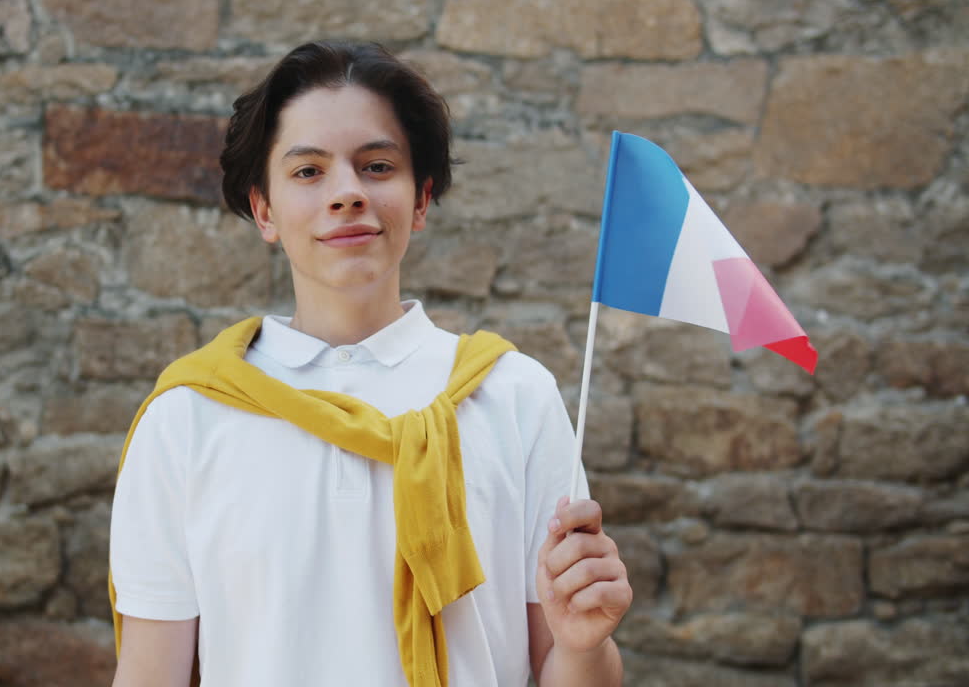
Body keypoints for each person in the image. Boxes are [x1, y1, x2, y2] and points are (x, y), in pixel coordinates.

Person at [108, 40, 631, 687]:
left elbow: (565, 667)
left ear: (421, 198)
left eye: (377, 166)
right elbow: (149, 674)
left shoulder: (516, 398)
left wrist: (584, 646)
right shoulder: (186, 417)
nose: (347, 193)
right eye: (308, 172)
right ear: (265, 209)